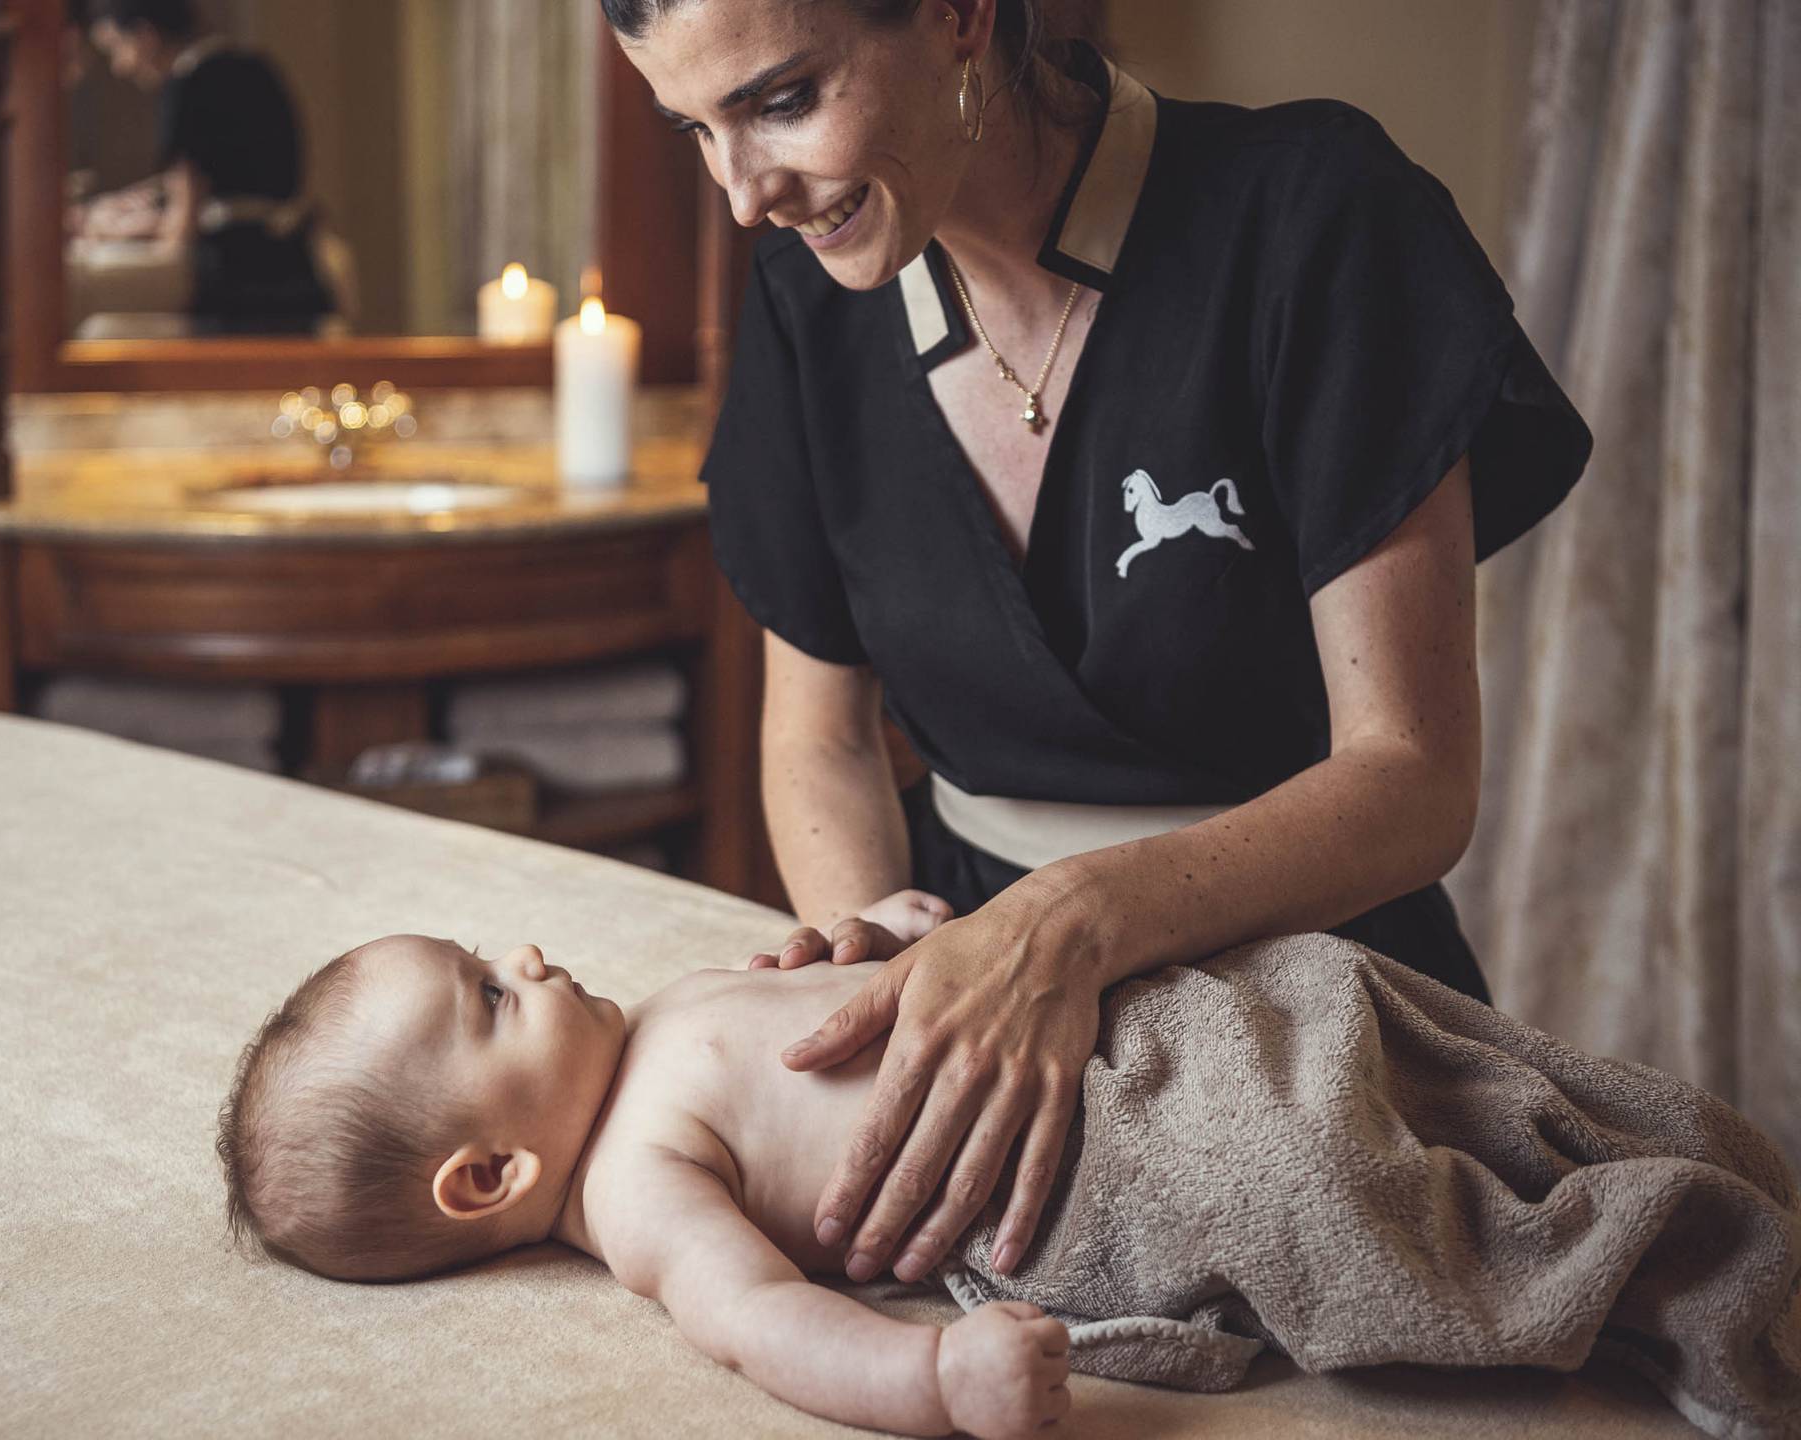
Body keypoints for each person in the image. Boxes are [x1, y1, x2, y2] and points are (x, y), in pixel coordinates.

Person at [603, 0, 1596, 1294]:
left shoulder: (1314, 214)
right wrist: (875, 949)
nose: (744, 196)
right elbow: (821, 738)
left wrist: (1066, 927)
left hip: (1313, 988)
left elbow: (1414, 777)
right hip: (959, 953)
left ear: (959, 17)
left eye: (782, 102)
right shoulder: (808, 298)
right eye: (693, 129)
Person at [215, 931, 1800, 1439]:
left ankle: (1652, 1152)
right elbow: (759, 1322)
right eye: (492, 997)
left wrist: (888, 937)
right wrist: (936, 1377)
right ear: (490, 1176)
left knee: (1390, 1028)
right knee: (1320, 1187)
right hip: (1103, 1163)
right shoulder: (639, 1188)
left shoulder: (658, 1019)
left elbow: (860, 995)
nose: (531, 956)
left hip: (1135, 1019)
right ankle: (1662, 1280)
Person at [86, 0, 329, 333]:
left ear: (145, 35)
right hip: (295, 265)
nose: (120, 67)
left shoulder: (186, 82)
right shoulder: (256, 67)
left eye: (117, 48)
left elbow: (183, 226)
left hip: (234, 279)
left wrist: (121, 230)